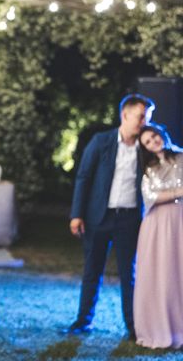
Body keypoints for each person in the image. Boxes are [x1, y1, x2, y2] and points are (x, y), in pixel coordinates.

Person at [65, 94, 154, 339]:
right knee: (92, 271)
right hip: (98, 217)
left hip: (130, 220)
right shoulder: (101, 141)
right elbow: (83, 177)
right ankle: (83, 321)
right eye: (141, 116)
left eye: (148, 117)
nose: (145, 121)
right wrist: (77, 215)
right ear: (125, 115)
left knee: (130, 275)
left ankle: (134, 327)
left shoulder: (146, 149)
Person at [133, 124, 183, 349]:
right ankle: (160, 328)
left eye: (154, 137)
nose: (153, 142)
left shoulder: (181, 157)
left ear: (161, 134)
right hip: (157, 223)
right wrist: (178, 192)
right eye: (147, 142)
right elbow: (150, 195)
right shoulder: (148, 168)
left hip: (180, 219)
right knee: (161, 273)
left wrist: (171, 195)